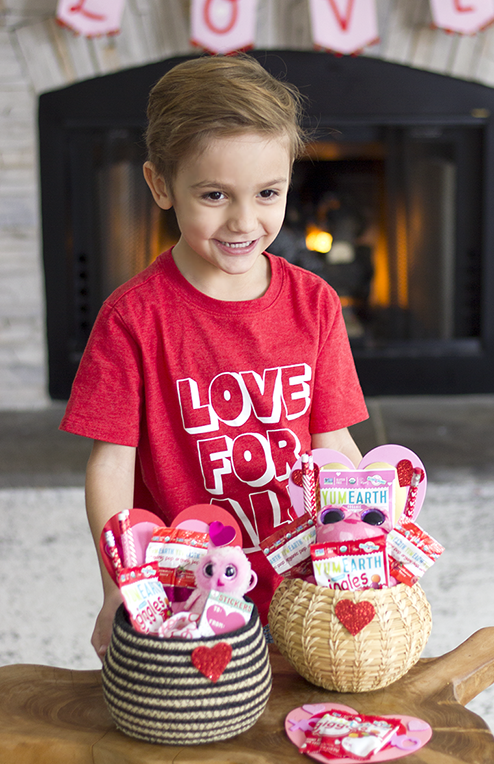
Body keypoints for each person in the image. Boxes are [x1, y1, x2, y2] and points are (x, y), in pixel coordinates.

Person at [60, 54, 368, 660]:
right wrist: (119, 588)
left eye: (267, 193)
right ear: (160, 186)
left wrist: (366, 547)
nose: (244, 221)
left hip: (301, 582)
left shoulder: (315, 304)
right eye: (213, 194)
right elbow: (111, 470)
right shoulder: (133, 319)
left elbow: (334, 447)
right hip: (186, 595)